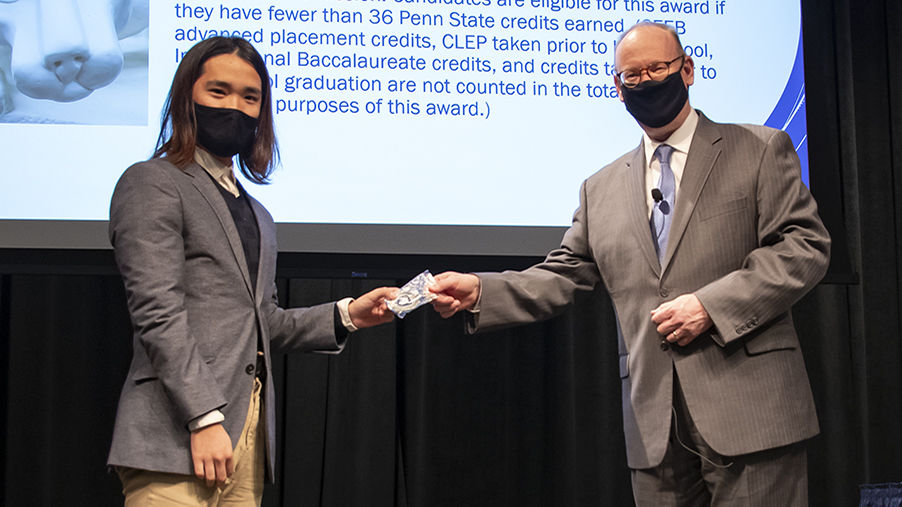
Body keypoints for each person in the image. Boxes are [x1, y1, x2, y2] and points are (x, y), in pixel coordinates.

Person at [431, 22, 830, 505]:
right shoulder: (600, 189)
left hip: (751, 411)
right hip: (654, 425)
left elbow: (803, 246)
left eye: (657, 69)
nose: (645, 83)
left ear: (687, 69)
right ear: (617, 90)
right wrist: (481, 290)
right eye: (632, 76)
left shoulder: (759, 149)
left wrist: (710, 305)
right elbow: (563, 274)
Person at [106, 36, 397, 505]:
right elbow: (158, 312)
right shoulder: (152, 181)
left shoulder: (257, 212)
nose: (235, 107)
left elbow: (262, 322)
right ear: (187, 97)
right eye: (218, 92)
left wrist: (347, 315)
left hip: (247, 434)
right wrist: (203, 418)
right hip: (178, 434)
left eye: (250, 97)